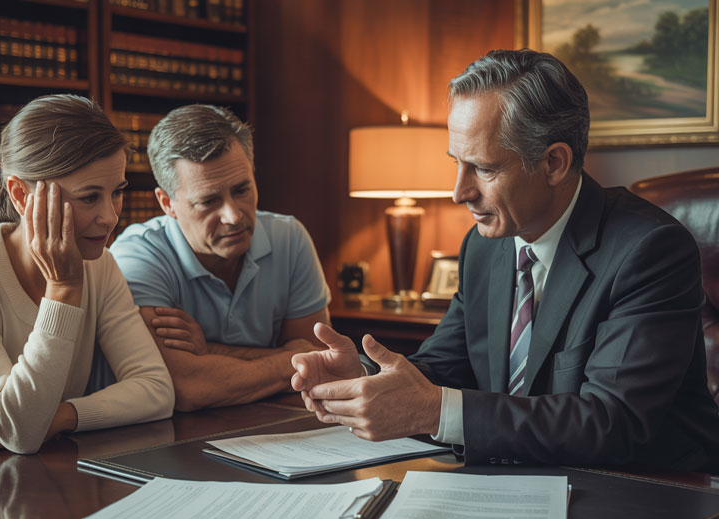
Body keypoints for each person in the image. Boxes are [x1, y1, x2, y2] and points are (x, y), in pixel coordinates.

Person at [292, 49, 719, 472]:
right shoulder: (484, 247)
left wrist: (434, 411)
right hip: (517, 482)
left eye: (483, 168)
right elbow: (441, 368)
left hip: (645, 497)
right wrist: (364, 380)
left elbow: (611, 422)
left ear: (553, 162)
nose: (460, 193)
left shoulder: (649, 251)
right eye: (457, 164)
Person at [0, 94, 175, 456]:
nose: (110, 217)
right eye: (89, 197)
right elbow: (21, 431)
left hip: (37, 477)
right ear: (21, 195)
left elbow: (156, 390)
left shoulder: (100, 266)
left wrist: (60, 417)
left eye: (116, 192)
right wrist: (64, 288)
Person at [109, 104, 331, 412]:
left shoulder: (289, 237)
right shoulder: (138, 255)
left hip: (278, 427)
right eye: (209, 201)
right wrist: (289, 359)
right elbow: (184, 387)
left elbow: (321, 360)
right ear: (167, 203)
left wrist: (208, 352)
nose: (233, 215)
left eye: (242, 190)